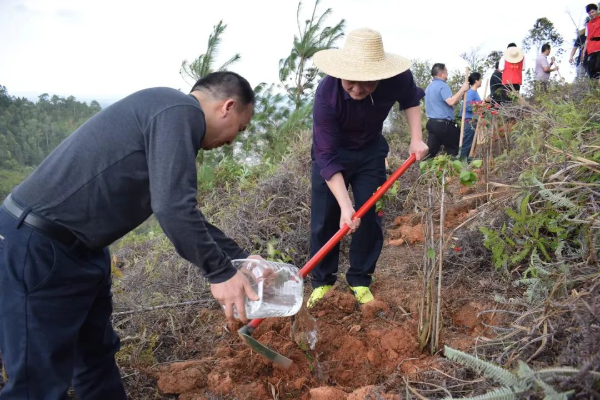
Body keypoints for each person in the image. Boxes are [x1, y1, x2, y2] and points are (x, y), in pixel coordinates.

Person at [0, 71, 261, 399]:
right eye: (241, 127)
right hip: (39, 247)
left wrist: (239, 257)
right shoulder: (180, 111)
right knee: (35, 384)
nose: (233, 139)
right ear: (228, 106)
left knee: (95, 361)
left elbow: (180, 210)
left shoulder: (169, 113)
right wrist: (220, 272)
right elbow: (172, 209)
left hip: (82, 251)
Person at [307, 28, 429, 307]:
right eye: (351, 82)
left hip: (370, 152)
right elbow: (325, 155)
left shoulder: (397, 77)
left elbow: (410, 100)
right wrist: (344, 205)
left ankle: (360, 280)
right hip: (332, 154)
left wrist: (416, 139)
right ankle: (323, 282)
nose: (358, 89)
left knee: (368, 215)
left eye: (367, 83)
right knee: (326, 217)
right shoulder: (327, 94)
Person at [424, 63, 470, 158]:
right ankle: (454, 171)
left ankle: (425, 171)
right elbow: (451, 101)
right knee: (454, 151)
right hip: (444, 125)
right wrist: (463, 89)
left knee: (430, 153)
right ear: (442, 73)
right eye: (446, 72)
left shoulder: (428, 88)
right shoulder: (442, 85)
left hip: (432, 124)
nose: (447, 74)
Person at [459, 72, 482, 159]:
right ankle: (462, 165)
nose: (481, 81)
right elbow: (467, 106)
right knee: (468, 144)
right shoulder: (471, 92)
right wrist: (479, 105)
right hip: (469, 121)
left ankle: (467, 164)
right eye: (480, 79)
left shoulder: (474, 93)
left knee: (472, 144)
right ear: (476, 81)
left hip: (472, 121)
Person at [583, 3, 600, 79]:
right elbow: (587, 39)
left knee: (598, 69)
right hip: (591, 50)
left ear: (596, 11)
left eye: (592, 12)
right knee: (591, 70)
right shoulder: (588, 25)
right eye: (589, 13)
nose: (591, 14)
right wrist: (584, 51)